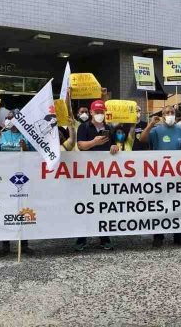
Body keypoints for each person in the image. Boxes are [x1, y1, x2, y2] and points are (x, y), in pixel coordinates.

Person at [139, 103, 181, 248]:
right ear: (162, 116)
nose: (169, 115)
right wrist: (150, 125)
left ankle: (179, 236)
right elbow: (142, 139)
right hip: (160, 176)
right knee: (160, 206)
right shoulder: (156, 131)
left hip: (178, 177)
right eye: (167, 112)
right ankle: (158, 236)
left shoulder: (180, 131)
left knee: (179, 205)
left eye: (172, 112)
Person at [0, 111, 35, 257]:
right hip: (5, 178)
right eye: (7, 118)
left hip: (22, 178)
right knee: (6, 211)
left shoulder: (26, 136)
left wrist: (24, 148)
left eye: (11, 118)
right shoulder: (2, 135)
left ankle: (24, 244)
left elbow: (33, 158)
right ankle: (5, 245)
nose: (8, 120)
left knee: (22, 210)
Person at [75, 99, 116, 251]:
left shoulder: (109, 127)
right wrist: (94, 143)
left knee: (104, 207)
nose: (99, 114)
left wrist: (113, 147)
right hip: (87, 172)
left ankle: (104, 238)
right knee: (86, 206)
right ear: (91, 112)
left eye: (101, 112)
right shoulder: (84, 127)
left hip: (105, 173)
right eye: (97, 112)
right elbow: (80, 146)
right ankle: (81, 238)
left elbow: (113, 145)